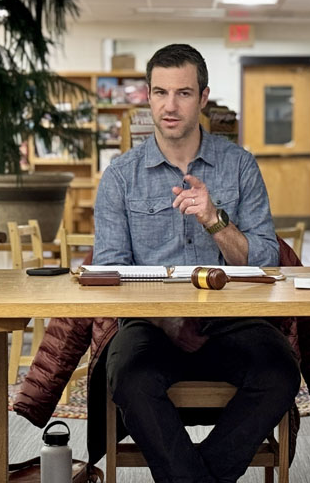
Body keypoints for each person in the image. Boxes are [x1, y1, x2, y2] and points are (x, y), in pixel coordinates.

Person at [91, 43, 299, 483]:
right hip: (151, 326)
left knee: (281, 371)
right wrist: (165, 317)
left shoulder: (240, 166)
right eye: (161, 93)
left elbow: (264, 259)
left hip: (232, 322)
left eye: (183, 93)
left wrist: (214, 220)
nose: (170, 106)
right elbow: (109, 270)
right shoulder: (120, 176)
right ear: (147, 96)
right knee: (127, 377)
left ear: (203, 98)